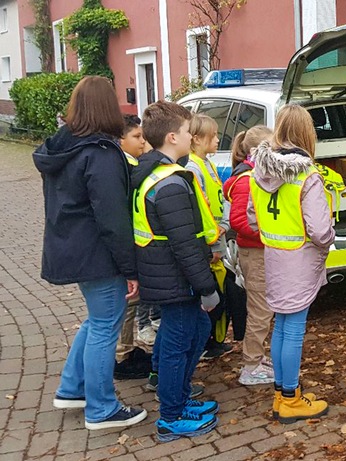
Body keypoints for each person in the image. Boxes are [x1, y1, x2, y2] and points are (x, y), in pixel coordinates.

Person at [34, 76, 146, 430]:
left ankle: (72, 389)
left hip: (72, 249)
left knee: (96, 320)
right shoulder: (100, 153)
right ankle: (102, 407)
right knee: (104, 326)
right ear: (106, 108)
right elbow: (112, 218)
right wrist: (130, 268)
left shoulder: (61, 149)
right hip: (98, 255)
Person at [132, 100, 220, 441]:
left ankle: (180, 399)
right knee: (177, 340)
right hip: (175, 278)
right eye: (186, 131)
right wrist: (206, 287)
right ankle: (171, 415)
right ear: (172, 137)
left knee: (194, 329)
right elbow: (184, 243)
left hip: (169, 275)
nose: (190, 136)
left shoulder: (162, 173)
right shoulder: (169, 183)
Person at [247, 104, 334, 424]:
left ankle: (282, 394)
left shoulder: (258, 168)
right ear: (307, 133)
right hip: (300, 259)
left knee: (282, 325)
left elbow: (251, 218)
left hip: (273, 256)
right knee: (293, 329)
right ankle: (290, 399)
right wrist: (326, 240)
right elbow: (321, 230)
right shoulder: (307, 174)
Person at [224, 125, 276, 386]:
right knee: (260, 310)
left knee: (263, 308)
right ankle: (251, 365)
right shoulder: (248, 180)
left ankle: (257, 356)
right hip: (255, 252)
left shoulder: (255, 175)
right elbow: (240, 221)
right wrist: (269, 234)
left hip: (258, 251)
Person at [182, 114, 233, 360]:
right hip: (210, 242)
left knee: (220, 293)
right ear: (197, 139)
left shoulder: (206, 163)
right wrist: (212, 240)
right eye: (212, 136)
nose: (217, 139)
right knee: (212, 297)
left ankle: (213, 340)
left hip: (217, 236)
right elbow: (199, 208)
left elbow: (218, 199)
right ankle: (205, 343)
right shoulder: (193, 167)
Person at [114, 114, 156, 381]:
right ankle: (122, 356)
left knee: (132, 303)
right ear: (121, 140)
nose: (142, 142)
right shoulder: (128, 169)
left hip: (132, 246)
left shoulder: (131, 164)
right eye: (136, 137)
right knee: (129, 304)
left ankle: (127, 350)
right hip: (129, 247)